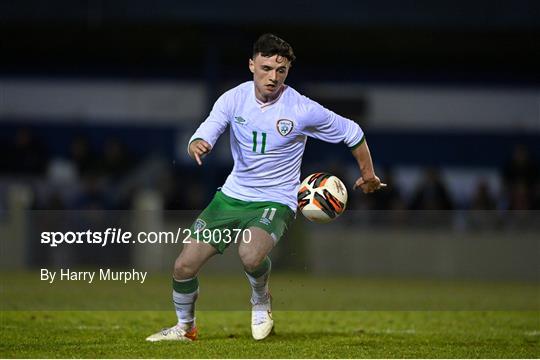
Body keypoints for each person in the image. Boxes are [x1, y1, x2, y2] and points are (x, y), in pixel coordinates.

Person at [146, 33, 385, 342]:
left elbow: (352, 131)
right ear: (251, 65)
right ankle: (185, 328)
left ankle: (260, 299)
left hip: (276, 199)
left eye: (281, 70)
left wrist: (367, 174)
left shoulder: (300, 108)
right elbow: (208, 127)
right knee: (183, 266)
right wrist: (198, 142)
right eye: (266, 68)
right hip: (232, 196)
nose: (273, 77)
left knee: (250, 255)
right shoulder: (233, 99)